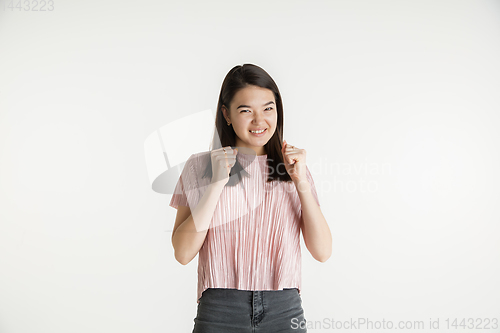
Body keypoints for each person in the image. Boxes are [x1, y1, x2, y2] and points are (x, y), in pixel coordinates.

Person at [169, 63, 332, 333]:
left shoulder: (293, 169)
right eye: (246, 111)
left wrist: (300, 181)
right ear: (227, 114)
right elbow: (183, 253)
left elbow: (323, 252)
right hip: (219, 310)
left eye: (268, 108)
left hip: (284, 309)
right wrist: (217, 182)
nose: (260, 121)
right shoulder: (200, 167)